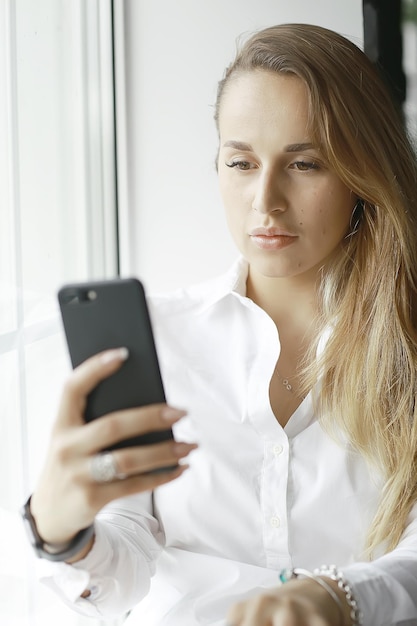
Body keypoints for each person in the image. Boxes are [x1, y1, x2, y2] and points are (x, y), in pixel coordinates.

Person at [21, 23, 417, 626]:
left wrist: (340, 596)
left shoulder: (407, 343)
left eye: (305, 163)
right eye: (241, 162)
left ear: (362, 176)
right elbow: (125, 566)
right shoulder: (157, 337)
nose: (266, 199)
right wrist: (61, 532)